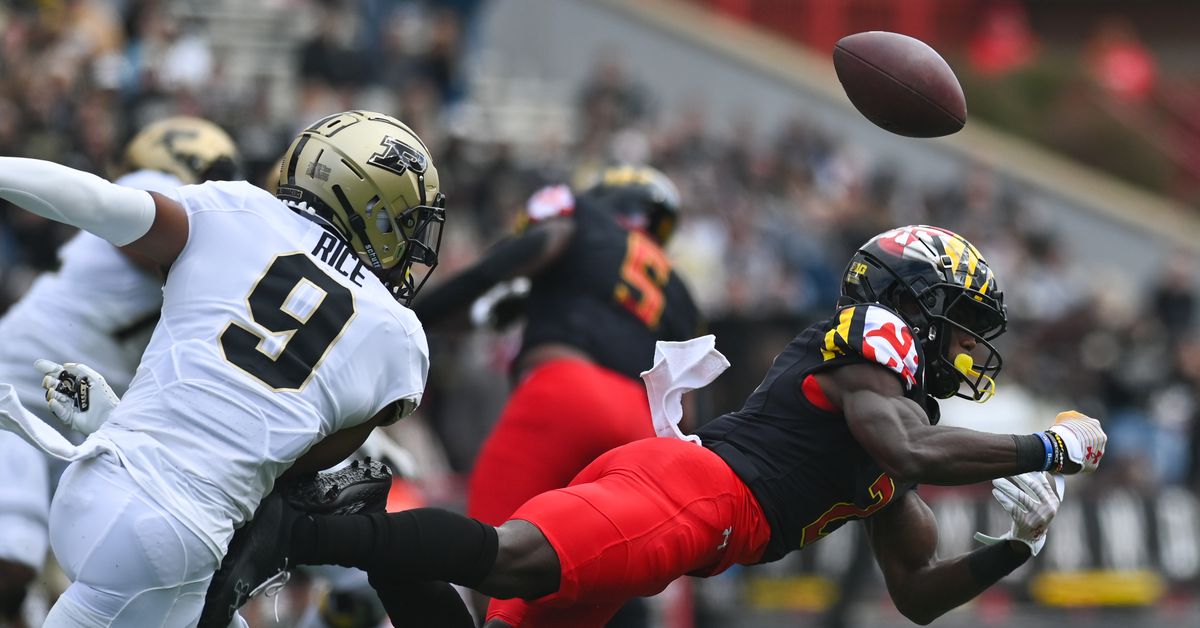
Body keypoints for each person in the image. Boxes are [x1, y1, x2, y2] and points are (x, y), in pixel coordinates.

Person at [205, 224, 1108, 627]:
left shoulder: (898, 425)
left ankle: (361, 522)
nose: (966, 349)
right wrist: (1048, 447)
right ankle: (300, 531)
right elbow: (906, 448)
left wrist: (1014, 549)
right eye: (959, 325)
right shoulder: (874, 343)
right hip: (698, 495)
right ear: (911, 306)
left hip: (693, 511)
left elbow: (916, 594)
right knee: (513, 556)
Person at [0, 109, 445, 627]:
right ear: (368, 208)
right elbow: (292, 465)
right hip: (171, 535)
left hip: (104, 474)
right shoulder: (398, 336)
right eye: (403, 224)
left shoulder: (239, 209)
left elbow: (97, 201)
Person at [412, 164, 699, 625]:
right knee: (598, 576)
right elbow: (687, 408)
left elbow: (516, 257)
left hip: (566, 391)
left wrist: (413, 314)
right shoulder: (679, 291)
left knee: (492, 552)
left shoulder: (582, 217)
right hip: (642, 429)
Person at [0, 115, 241, 626]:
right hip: (22, 384)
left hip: (89, 411)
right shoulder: (156, 194)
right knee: (12, 557)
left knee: (105, 570)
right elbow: (149, 244)